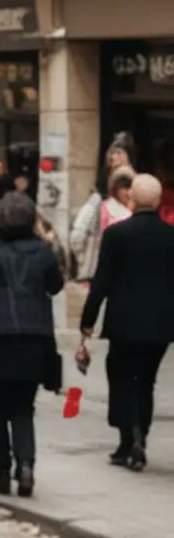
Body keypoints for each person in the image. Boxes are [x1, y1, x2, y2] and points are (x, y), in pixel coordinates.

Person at [0, 192, 64, 499]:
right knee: (23, 407)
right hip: (34, 339)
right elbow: (56, 285)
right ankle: (26, 465)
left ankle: (2, 472)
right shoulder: (42, 251)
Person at [79, 173, 174, 472]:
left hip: (124, 323)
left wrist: (87, 322)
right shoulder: (171, 236)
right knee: (145, 381)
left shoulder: (117, 235)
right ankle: (139, 438)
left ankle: (126, 438)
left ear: (131, 198)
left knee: (120, 377)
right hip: (160, 326)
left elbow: (101, 282)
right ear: (159, 201)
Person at [70, 140, 135, 285]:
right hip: (99, 273)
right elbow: (78, 235)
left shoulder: (137, 208)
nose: (127, 191)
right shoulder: (97, 202)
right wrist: (86, 262)